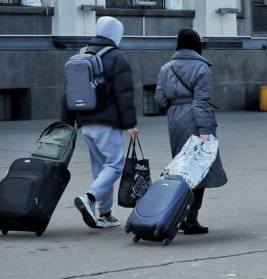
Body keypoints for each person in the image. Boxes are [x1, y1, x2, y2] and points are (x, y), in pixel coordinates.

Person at [61, 16, 138, 229]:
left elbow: (67, 93)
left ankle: (105, 214)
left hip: (84, 122)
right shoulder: (116, 57)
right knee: (115, 165)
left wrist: (66, 124)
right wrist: (130, 123)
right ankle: (90, 198)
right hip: (108, 121)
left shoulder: (80, 55)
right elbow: (124, 94)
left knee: (101, 168)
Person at [154, 28, 227, 234]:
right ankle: (190, 221)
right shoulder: (202, 68)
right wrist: (205, 129)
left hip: (174, 119)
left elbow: (159, 100)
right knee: (198, 171)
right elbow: (201, 102)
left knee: (180, 170)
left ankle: (178, 216)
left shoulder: (166, 68)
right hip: (196, 120)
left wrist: (176, 102)